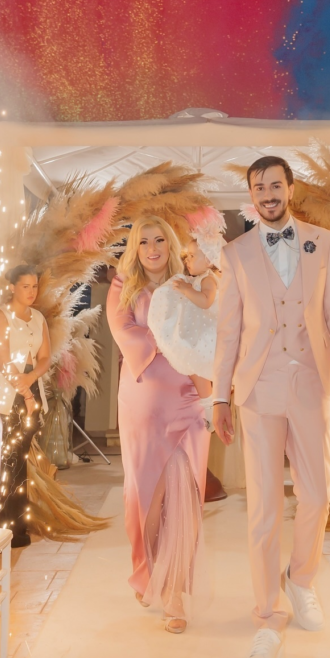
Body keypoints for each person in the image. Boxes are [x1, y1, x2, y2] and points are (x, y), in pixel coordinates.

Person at [213, 156, 330, 658]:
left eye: (275, 185)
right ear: (251, 195)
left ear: (290, 188)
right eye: (259, 188)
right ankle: (268, 611)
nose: (268, 194)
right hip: (258, 388)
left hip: (311, 384)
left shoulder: (323, 242)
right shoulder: (235, 254)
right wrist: (220, 397)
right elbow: (228, 331)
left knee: (317, 493)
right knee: (263, 507)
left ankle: (301, 579)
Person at [107, 217, 211, 635]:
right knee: (145, 495)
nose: (152, 249)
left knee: (186, 495)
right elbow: (125, 333)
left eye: (160, 240)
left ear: (171, 245)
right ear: (135, 248)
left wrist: (213, 396)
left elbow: (206, 337)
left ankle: (173, 590)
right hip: (145, 399)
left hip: (189, 397)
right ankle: (147, 568)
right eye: (144, 242)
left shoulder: (188, 284)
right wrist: (171, 339)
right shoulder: (123, 287)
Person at [0, 265, 51, 548]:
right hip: (3, 395)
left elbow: (44, 357)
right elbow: (2, 359)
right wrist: (26, 393)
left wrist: (31, 381)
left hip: (29, 388)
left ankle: (17, 528)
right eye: (25, 286)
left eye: (34, 286)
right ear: (12, 287)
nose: (32, 292)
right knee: (1, 461)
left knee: (19, 460)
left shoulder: (38, 318)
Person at [147, 209, 227, 425]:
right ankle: (208, 404)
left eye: (193, 256)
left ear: (208, 260)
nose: (188, 260)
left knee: (195, 366)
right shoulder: (198, 278)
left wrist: (186, 290)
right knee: (193, 368)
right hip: (197, 328)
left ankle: (210, 406)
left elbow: (205, 301)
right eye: (188, 256)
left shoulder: (209, 279)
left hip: (206, 332)